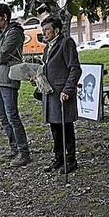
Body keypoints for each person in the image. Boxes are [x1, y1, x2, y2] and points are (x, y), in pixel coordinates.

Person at [0, 3, 30, 167]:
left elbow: (1, 55)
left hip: (9, 79)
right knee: (3, 117)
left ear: (5, 17)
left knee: (12, 116)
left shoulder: (15, 33)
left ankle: (24, 151)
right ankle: (15, 148)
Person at [37, 16, 81, 173]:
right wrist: (37, 79)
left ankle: (71, 160)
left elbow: (75, 68)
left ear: (56, 30)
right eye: (43, 30)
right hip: (50, 94)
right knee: (55, 128)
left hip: (61, 94)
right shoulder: (47, 47)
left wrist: (67, 90)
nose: (45, 33)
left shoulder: (66, 43)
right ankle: (58, 158)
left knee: (66, 128)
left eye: (47, 29)